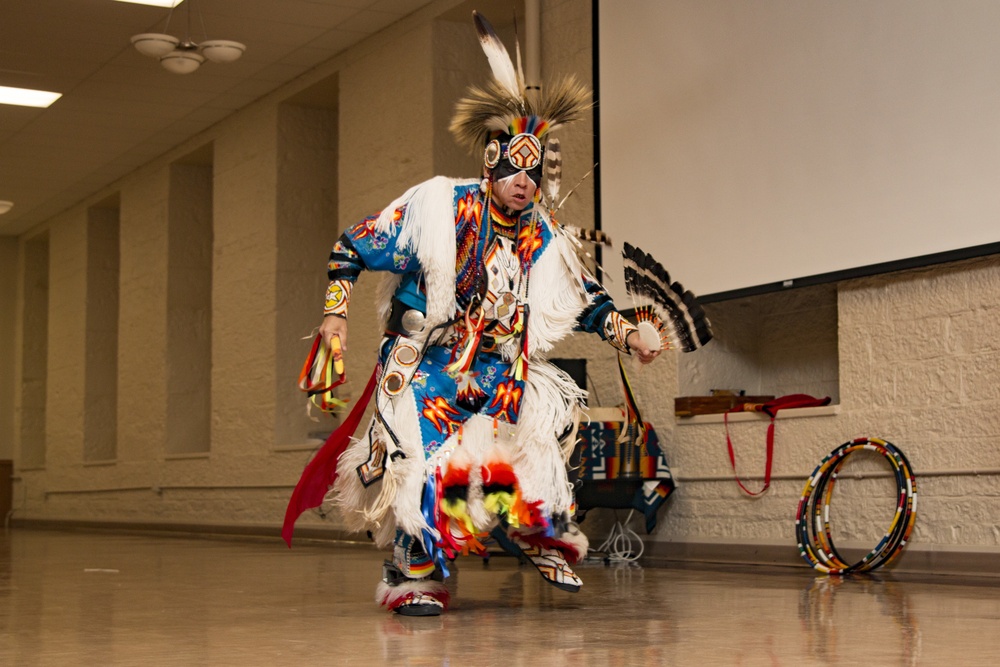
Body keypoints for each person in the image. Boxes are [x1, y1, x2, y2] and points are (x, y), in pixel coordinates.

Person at [284, 12, 659, 616]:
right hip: (424, 360)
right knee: (415, 459)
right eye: (513, 168)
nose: (523, 182)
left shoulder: (541, 236)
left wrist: (628, 332)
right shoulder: (438, 209)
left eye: (533, 173)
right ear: (491, 163)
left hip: (495, 368)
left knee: (532, 437)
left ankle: (532, 528)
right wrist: (335, 314)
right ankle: (415, 573)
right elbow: (352, 246)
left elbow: (586, 300)